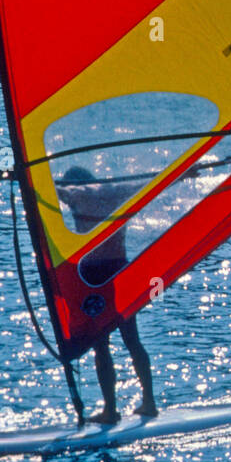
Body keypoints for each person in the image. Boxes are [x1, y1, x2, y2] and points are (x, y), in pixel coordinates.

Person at [55, 166, 158, 424]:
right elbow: (154, 179)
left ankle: (110, 411)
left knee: (101, 345)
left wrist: (12, 168)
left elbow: (46, 191)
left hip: (93, 276)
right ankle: (149, 403)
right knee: (132, 340)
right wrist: (188, 171)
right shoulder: (116, 192)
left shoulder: (76, 194)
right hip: (119, 271)